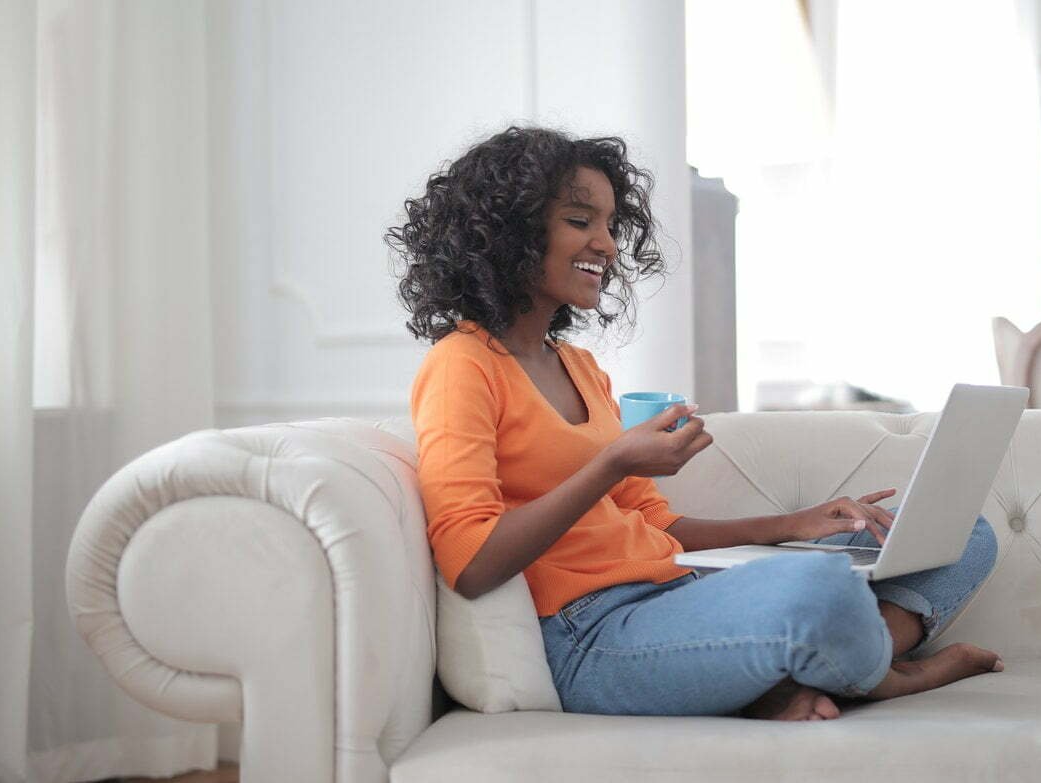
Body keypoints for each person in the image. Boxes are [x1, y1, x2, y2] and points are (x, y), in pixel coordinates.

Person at [388, 126, 1003, 721]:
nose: (605, 244)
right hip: (591, 636)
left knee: (962, 534)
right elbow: (469, 565)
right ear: (508, 234)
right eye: (580, 221)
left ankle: (808, 667)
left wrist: (797, 522)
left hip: (675, 594)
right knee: (818, 588)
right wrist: (612, 463)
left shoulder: (578, 366)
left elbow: (658, 524)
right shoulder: (462, 365)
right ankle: (893, 674)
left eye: (609, 224)